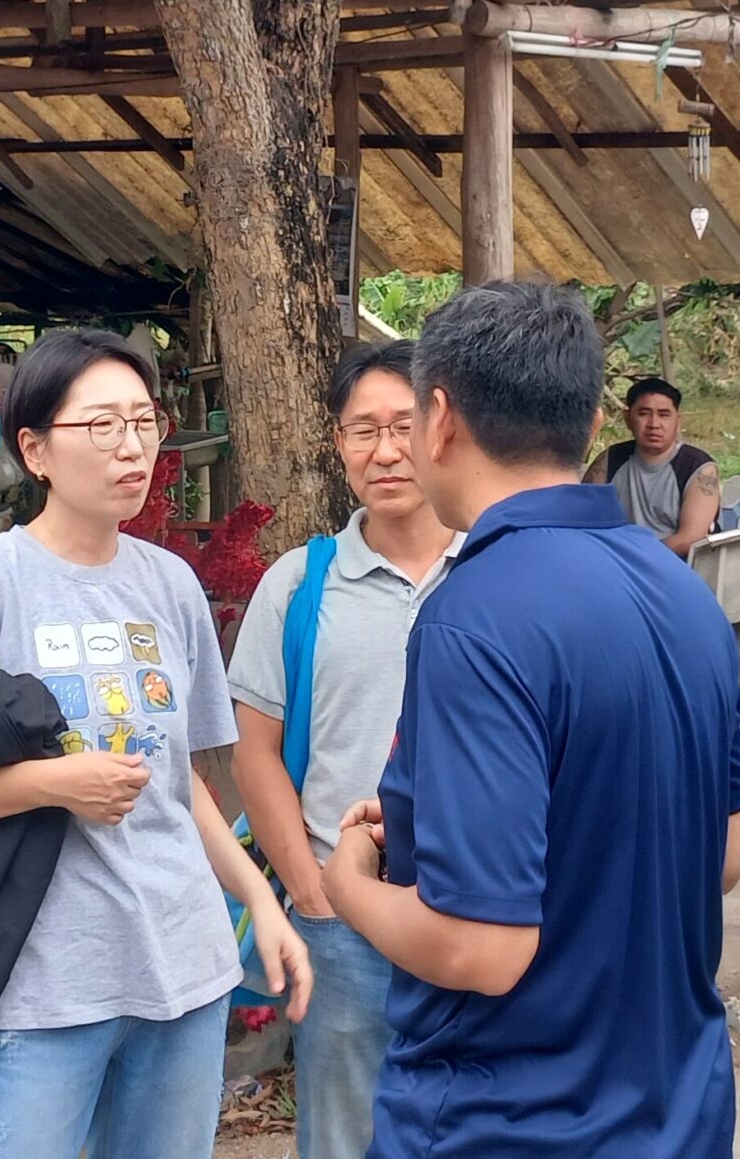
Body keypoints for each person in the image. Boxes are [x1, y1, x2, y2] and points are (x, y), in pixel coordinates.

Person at [321, 283, 740, 1159]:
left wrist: (349, 885)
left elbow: (483, 950)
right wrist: (428, 830)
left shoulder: (474, 616)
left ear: (440, 419)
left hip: (508, 1121)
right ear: (593, 423)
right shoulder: (685, 599)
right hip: (678, 1111)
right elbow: (723, 855)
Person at [0, 327, 311, 1159]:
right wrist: (54, 784)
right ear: (35, 450)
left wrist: (260, 903)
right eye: (102, 425)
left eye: (144, 422)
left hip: (183, 970)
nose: (132, 446)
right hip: (40, 985)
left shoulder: (170, 585)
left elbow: (180, 787)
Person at [227, 341, 461, 1159]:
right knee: (341, 1135)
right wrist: (310, 891)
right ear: (338, 444)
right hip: (341, 921)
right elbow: (255, 753)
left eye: (404, 426)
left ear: (442, 430)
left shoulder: (495, 571)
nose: (386, 451)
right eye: (364, 430)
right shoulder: (300, 584)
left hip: (476, 910)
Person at [584, 374, 721, 557]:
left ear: (678, 421)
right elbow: (583, 516)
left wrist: (634, 558)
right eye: (644, 414)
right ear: (628, 418)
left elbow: (689, 540)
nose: (654, 424)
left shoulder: (699, 468)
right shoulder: (610, 459)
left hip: (676, 565)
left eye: (664, 415)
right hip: (618, 561)